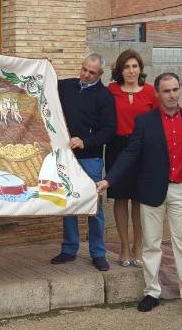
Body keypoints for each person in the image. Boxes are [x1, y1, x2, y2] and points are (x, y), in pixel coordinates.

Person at [96, 73, 182, 319]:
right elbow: (130, 153)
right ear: (157, 94)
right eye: (166, 91)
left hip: (181, 189)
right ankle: (152, 292)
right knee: (151, 244)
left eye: (175, 89)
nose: (172, 95)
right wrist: (109, 179)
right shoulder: (145, 122)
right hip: (151, 189)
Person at [51, 53, 116, 271]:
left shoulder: (105, 97)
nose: (86, 75)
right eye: (84, 69)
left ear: (101, 74)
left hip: (91, 158)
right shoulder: (66, 86)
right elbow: (45, 85)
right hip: (66, 157)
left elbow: (109, 130)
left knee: (93, 205)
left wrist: (85, 142)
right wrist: (45, 68)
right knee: (68, 202)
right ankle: (69, 249)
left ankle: (98, 253)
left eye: (92, 72)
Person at [106, 49, 159, 268]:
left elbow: (157, 122)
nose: (131, 71)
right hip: (117, 147)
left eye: (135, 66)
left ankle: (138, 247)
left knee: (138, 199)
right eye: (126, 67)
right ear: (120, 70)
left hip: (142, 149)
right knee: (120, 198)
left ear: (140, 69)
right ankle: (124, 247)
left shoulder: (150, 92)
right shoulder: (110, 90)